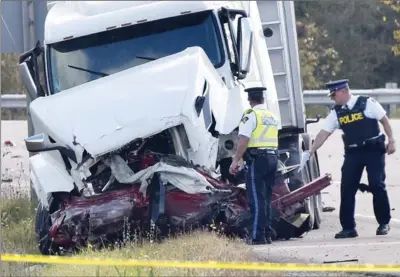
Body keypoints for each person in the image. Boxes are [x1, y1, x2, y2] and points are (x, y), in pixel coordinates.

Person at [298, 79, 396, 239]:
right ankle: (348, 228)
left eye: (334, 94)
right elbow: (324, 133)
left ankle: (384, 223)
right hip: (353, 153)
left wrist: (391, 140)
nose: (332, 98)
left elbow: (384, 120)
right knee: (347, 187)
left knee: (377, 184)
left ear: (343, 91)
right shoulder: (337, 112)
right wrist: (310, 151)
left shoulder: (366, 103)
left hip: (373, 150)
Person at [229, 86, 280, 245]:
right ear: (263, 99)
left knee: (256, 199)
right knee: (265, 198)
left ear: (249, 100)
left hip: (258, 160)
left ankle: (257, 236)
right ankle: (266, 234)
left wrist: (236, 159)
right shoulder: (271, 116)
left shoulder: (251, 115)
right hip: (272, 158)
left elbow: (244, 139)